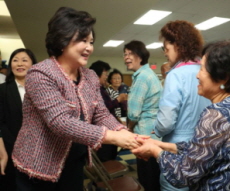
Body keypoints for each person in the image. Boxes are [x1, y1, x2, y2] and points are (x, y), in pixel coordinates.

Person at [12, 7, 144, 191]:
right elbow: (60, 122)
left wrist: (124, 133)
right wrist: (113, 137)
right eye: (83, 40)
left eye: (91, 41)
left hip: (73, 163)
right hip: (37, 167)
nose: (90, 47)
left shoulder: (89, 76)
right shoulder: (40, 74)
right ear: (62, 39)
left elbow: (101, 113)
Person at [132, 40, 230, 191]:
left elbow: (183, 175)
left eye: (202, 69)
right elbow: (205, 149)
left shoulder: (217, 114)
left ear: (223, 77)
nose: (197, 75)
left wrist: (155, 151)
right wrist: (164, 145)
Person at [155, 20, 211, 191]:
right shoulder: (207, 71)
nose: (165, 53)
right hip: (205, 146)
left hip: (178, 148)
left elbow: (166, 123)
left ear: (178, 45)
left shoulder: (175, 75)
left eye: (166, 48)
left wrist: (156, 129)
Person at [124, 40, 162, 191]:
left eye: (130, 54)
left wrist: (128, 129)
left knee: (148, 179)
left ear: (140, 56)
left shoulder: (141, 78)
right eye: (124, 54)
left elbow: (133, 113)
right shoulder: (149, 74)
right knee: (154, 176)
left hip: (145, 136)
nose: (126, 57)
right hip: (154, 135)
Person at [0, 48, 37, 191]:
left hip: (39, 152)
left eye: (24, 60)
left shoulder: (42, 89)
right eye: (15, 60)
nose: (19, 64)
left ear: (33, 64)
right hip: (11, 150)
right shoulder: (2, 90)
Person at [89, 61, 127, 162]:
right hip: (104, 129)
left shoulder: (100, 89)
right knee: (106, 156)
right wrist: (118, 100)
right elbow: (105, 109)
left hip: (109, 126)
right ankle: (109, 175)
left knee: (110, 154)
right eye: (105, 74)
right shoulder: (98, 90)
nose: (106, 77)